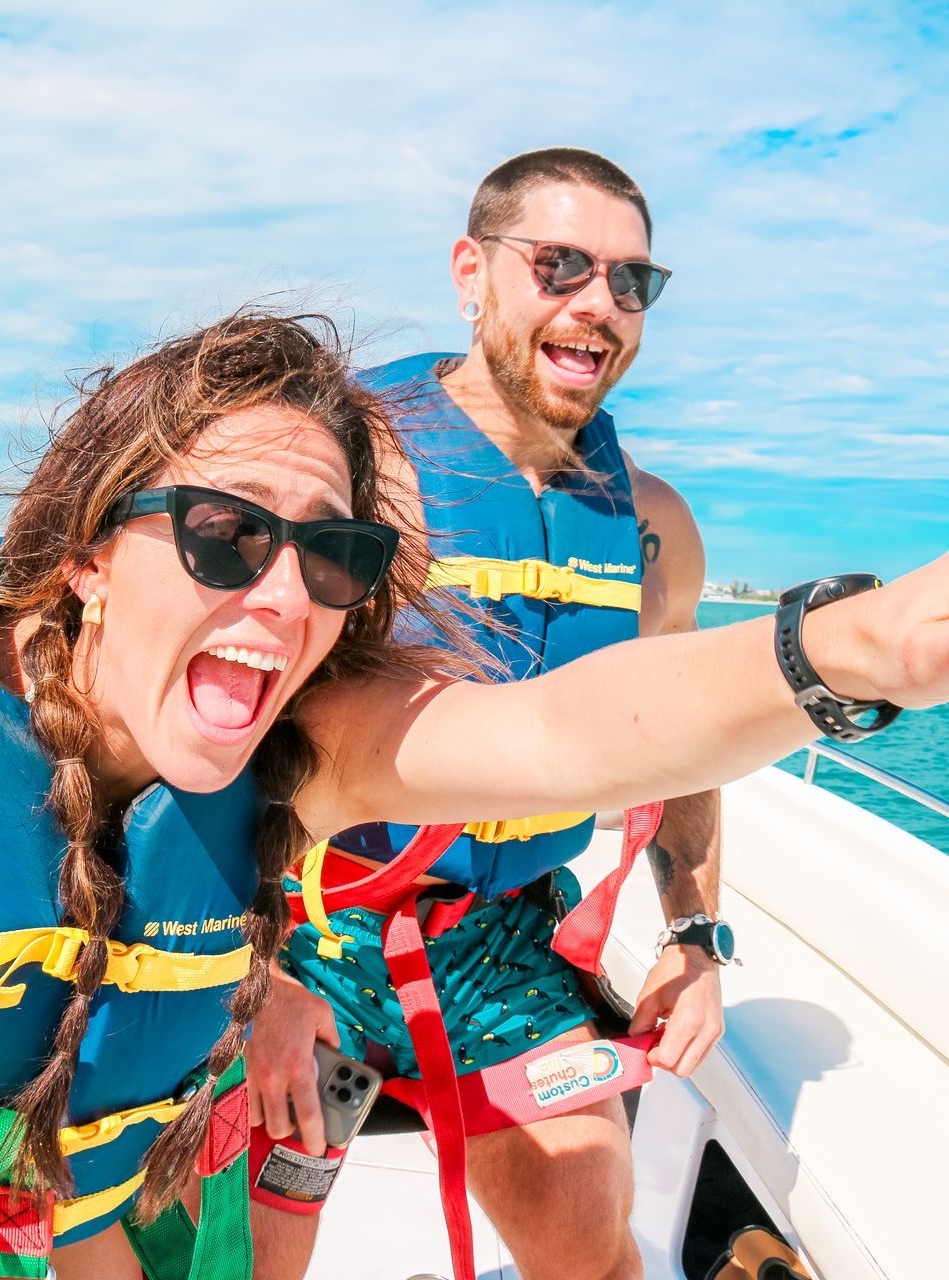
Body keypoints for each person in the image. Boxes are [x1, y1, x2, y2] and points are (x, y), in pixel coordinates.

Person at [0, 304, 949, 1280]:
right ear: (87, 551)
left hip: (99, 1209)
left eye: (330, 559)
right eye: (223, 534)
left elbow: (569, 733)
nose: (282, 600)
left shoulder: (301, 738)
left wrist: (863, 645)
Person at [245, 148, 721, 1280]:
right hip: (306, 927)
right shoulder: (348, 476)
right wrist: (247, 974)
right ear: (472, 272)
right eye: (560, 265)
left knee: (591, 1242)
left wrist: (696, 938)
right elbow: (212, 716)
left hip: (504, 934)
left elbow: (690, 737)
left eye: (631, 282)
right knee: (248, 1259)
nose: (598, 304)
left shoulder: (650, 522)